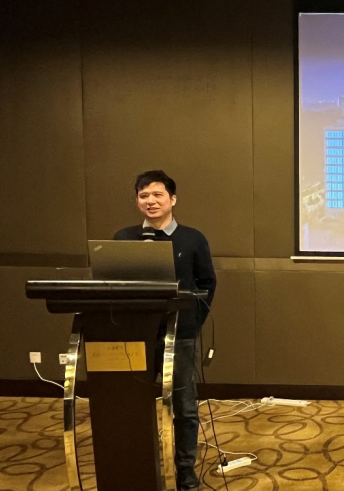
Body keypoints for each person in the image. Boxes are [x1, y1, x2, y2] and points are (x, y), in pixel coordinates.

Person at [114, 170, 216, 490]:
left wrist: (193, 322)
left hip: (179, 335)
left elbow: (207, 283)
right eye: (143, 195)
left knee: (184, 408)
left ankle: (185, 472)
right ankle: (140, 467)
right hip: (136, 335)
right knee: (133, 405)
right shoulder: (124, 238)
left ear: (172, 199)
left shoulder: (192, 239)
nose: (150, 201)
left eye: (157, 195)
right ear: (137, 201)